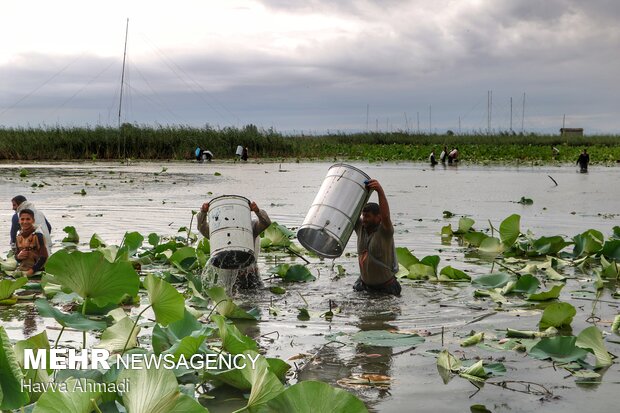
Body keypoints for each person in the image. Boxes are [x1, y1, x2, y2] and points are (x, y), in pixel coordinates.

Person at [197, 200, 271, 289]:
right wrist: (203, 213)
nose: (231, 217)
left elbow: (266, 222)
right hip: (228, 275)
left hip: (249, 274)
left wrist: (257, 211)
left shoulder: (250, 226)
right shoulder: (219, 229)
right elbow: (201, 227)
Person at [353, 179, 401, 296]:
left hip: (386, 289)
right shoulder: (361, 228)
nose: (364, 219)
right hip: (364, 287)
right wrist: (362, 192)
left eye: (368, 216)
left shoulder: (385, 231)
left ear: (378, 218)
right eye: (363, 216)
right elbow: (351, 212)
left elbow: (386, 216)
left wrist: (379, 191)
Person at [15, 209, 49, 276]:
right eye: (22, 219)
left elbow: (44, 257)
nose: (25, 222)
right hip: (23, 270)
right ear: (19, 221)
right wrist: (18, 257)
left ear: (33, 221)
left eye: (28, 219)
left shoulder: (38, 235)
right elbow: (16, 255)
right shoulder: (18, 236)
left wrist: (32, 271)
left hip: (37, 272)